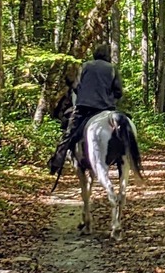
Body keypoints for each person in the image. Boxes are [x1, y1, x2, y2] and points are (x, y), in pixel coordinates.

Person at [51, 43, 123, 177]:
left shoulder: (84, 66)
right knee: (124, 130)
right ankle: (124, 158)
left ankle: (57, 161)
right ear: (108, 56)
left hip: (84, 107)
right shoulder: (112, 69)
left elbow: (76, 86)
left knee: (69, 133)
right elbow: (118, 91)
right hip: (106, 108)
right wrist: (109, 99)